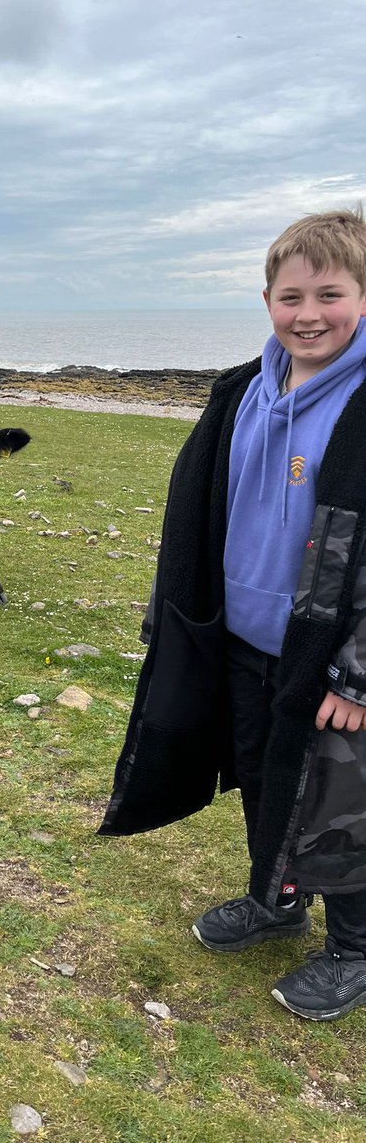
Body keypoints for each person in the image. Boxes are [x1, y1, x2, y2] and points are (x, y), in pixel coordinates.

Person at [99, 208, 366, 1021]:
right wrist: (173, 617)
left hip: (329, 658)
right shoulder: (241, 393)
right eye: (292, 296)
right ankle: (275, 900)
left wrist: (359, 676)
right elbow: (198, 517)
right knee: (263, 779)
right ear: (266, 300)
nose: (309, 314)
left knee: (339, 810)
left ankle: (355, 948)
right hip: (243, 640)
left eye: (331, 293)